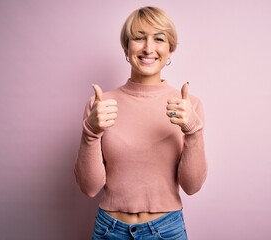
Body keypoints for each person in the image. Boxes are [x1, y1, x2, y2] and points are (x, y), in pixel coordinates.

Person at [74, 6, 207, 240]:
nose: (148, 48)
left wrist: (193, 131)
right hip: (109, 230)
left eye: (158, 39)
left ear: (170, 49)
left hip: (167, 230)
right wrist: (91, 133)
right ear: (126, 47)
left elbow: (192, 186)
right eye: (138, 38)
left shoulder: (188, 105)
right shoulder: (100, 105)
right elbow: (89, 188)